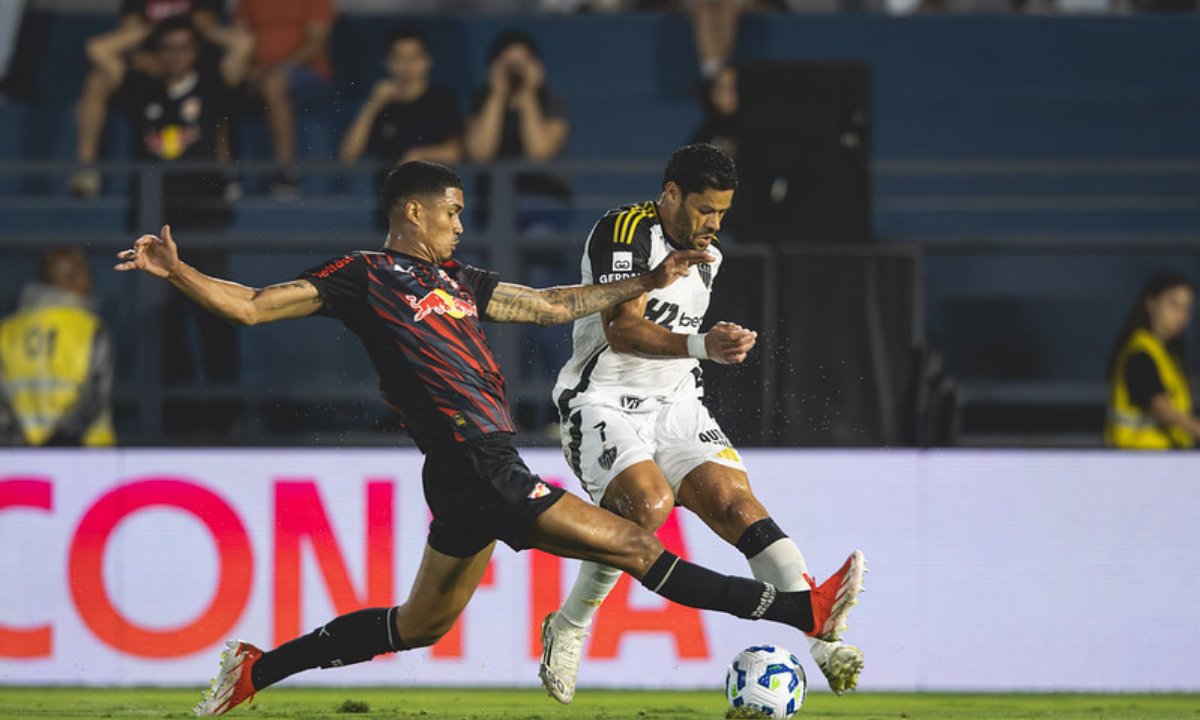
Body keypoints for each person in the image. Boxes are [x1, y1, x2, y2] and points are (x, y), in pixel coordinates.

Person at [113, 160, 864, 716]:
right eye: (454, 212)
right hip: (479, 466)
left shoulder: (463, 281)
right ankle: (803, 611)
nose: (462, 225)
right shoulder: (364, 276)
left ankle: (253, 670)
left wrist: (645, 281)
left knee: (417, 627)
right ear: (413, 210)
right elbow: (250, 306)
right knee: (640, 542)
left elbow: (550, 304)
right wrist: (180, 273)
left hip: (467, 477)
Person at [539, 144, 865, 704]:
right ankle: (568, 627)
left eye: (722, 214)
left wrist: (712, 344)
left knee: (737, 505)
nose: (714, 225)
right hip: (602, 401)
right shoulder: (625, 232)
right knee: (646, 507)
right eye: (704, 210)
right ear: (670, 195)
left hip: (678, 404)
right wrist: (702, 344)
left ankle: (824, 643)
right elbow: (621, 330)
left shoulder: (710, 254)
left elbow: (682, 338)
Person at [69, 0, 252, 198]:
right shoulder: (141, 86)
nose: (176, 56)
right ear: (158, 51)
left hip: (202, 200)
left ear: (196, 50)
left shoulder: (210, 83)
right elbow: (97, 48)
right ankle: (86, 168)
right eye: (168, 48)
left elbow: (244, 43)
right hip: (152, 198)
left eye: (184, 48)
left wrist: (199, 26)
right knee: (96, 80)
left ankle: (228, 173)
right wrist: (156, 28)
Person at [338, 25, 463, 229]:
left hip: (434, 211)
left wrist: (419, 156)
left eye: (414, 58)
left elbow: (457, 151)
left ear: (427, 60)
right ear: (387, 62)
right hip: (391, 213)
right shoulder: (381, 105)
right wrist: (372, 106)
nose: (407, 66)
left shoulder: (442, 99)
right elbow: (348, 155)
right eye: (399, 59)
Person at [0, 247, 115, 447]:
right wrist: (60, 442)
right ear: (70, 278)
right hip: (87, 456)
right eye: (86, 274)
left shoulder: (7, 331)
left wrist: (19, 441)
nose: (90, 282)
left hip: (18, 455)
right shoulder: (90, 329)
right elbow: (96, 397)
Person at [464, 28, 571, 233]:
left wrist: (528, 96)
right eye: (508, 64)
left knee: (539, 237)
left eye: (522, 64)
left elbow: (540, 153)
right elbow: (479, 153)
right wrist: (497, 95)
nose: (515, 71)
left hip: (542, 198)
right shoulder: (483, 99)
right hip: (493, 200)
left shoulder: (549, 100)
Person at [233, 0, 335, 199]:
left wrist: (274, 69)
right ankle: (228, 174)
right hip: (258, 71)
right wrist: (247, 70)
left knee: (273, 84)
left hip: (307, 72)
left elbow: (315, 44)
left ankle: (286, 172)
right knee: (222, 81)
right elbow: (240, 34)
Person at [1104, 271, 1200, 449]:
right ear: (1151, 303)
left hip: (1165, 461)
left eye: (1187, 308)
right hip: (1139, 462)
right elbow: (1161, 408)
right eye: (1174, 304)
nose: (1181, 315)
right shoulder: (1140, 354)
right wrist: (1195, 428)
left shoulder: (1169, 357)